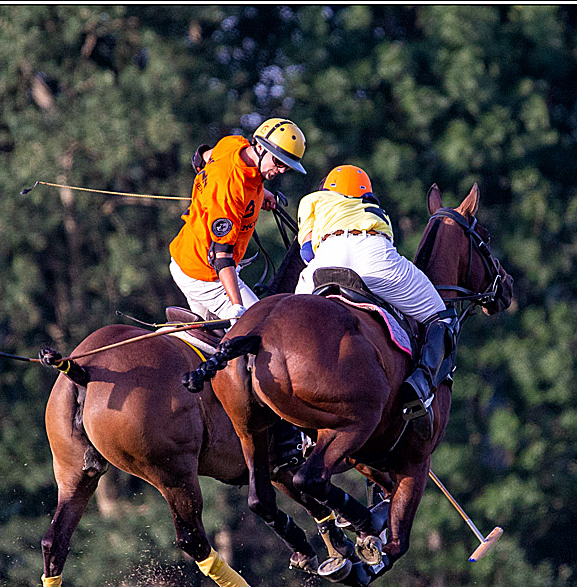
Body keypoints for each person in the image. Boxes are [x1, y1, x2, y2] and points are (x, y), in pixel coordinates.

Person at [293, 164, 454, 440]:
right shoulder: (374, 208)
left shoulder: (312, 200)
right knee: (441, 315)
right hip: (374, 256)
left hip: (326, 259)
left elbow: (307, 252)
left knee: (295, 323)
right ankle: (421, 386)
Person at [169, 117, 307, 325]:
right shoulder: (231, 192)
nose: (280, 170)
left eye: (286, 166)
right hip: (206, 275)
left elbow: (200, 159)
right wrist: (237, 307)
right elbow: (221, 256)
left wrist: (260, 194)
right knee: (262, 328)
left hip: (187, 257)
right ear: (259, 147)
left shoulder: (234, 144)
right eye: (278, 162)